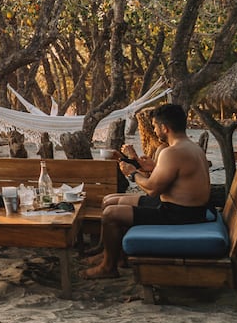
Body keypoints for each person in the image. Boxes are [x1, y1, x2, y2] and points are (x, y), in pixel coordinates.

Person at [83, 103, 211, 279]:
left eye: (155, 126)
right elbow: (170, 178)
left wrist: (132, 173)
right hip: (187, 208)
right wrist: (148, 166)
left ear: (164, 128)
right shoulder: (191, 147)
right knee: (110, 200)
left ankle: (108, 267)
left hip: (179, 214)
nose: (154, 130)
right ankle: (114, 254)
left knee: (110, 214)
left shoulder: (172, 152)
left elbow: (152, 189)